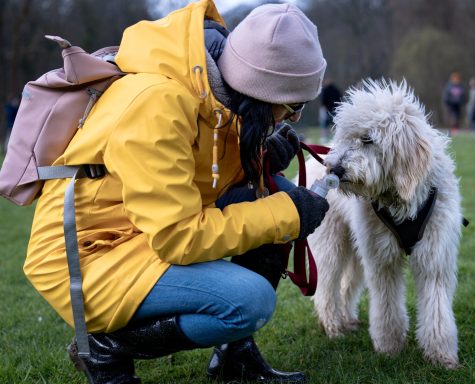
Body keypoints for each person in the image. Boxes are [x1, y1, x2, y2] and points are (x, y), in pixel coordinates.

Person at [23, 1, 330, 383]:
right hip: (88, 255)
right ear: (262, 91)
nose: (294, 118)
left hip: (137, 232)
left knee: (273, 196)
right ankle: (104, 346)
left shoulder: (209, 87)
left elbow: (197, 176)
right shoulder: (158, 104)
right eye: (293, 106)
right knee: (250, 300)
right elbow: (179, 236)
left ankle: (236, 360)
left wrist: (257, 158)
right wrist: (287, 215)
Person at [442, 71, 465, 136]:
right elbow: (446, 95)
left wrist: (461, 102)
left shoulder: (461, 86)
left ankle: (455, 131)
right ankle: (451, 130)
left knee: (457, 118)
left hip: (457, 105)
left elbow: (463, 95)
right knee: (452, 118)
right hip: (450, 105)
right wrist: (447, 102)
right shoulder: (449, 86)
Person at [319, 78, 342, 143]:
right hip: (334, 110)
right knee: (333, 124)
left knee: (328, 125)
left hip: (330, 110)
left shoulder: (326, 90)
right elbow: (340, 99)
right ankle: (331, 138)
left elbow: (323, 101)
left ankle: (327, 138)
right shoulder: (335, 90)